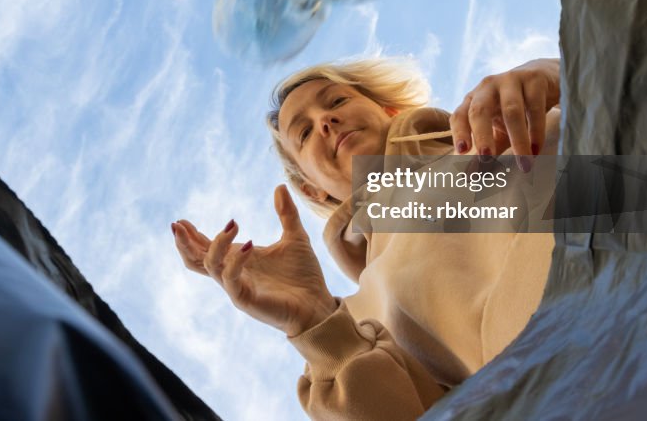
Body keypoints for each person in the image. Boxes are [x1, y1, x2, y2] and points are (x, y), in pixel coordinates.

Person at [172, 57, 561, 420]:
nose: (325, 120)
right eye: (304, 132)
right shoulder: (361, 328)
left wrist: (557, 75)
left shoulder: (502, 126)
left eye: (336, 100)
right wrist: (318, 326)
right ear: (313, 190)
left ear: (388, 110)